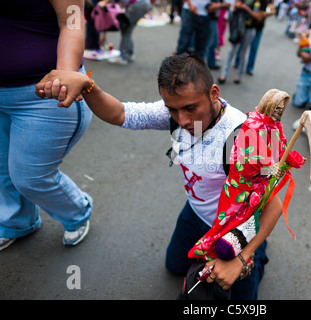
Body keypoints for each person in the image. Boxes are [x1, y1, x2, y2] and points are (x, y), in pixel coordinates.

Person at [36, 53, 283, 299]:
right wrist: (88, 86)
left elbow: (273, 206)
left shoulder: (245, 137)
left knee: (241, 297)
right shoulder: (175, 112)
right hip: (195, 212)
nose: (183, 120)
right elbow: (121, 114)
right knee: (174, 266)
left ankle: (258, 256)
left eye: (190, 108)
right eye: (172, 109)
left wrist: (241, 258)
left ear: (214, 93)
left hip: (235, 226)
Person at [0, 0, 93, 251]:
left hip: (41, 95)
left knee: (30, 176)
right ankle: (17, 222)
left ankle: (77, 211)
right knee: (2, 171)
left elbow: (72, 22)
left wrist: (64, 76)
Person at [218, 0, 267, 85]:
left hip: (250, 29)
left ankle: (238, 76)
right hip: (238, 27)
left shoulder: (261, 2)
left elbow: (259, 17)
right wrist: (238, 6)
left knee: (242, 52)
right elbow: (235, 6)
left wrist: (247, 9)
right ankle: (223, 75)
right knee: (231, 51)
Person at [100, 0, 151, 65]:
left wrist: (104, 2)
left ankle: (123, 57)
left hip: (137, 4)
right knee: (128, 30)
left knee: (126, 30)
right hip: (142, 3)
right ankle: (129, 54)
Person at [205, 0, 231, 69]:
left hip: (214, 19)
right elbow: (210, 7)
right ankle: (206, 64)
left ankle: (211, 63)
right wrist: (223, 5)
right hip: (210, 19)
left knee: (214, 43)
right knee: (210, 43)